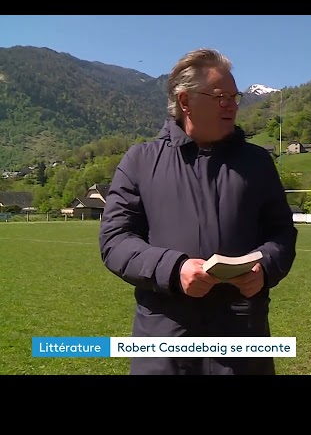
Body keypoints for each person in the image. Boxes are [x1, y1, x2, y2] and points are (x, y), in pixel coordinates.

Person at [98, 48, 297, 375]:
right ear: (185, 101)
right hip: (165, 348)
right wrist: (174, 270)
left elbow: (282, 233)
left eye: (235, 96)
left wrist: (265, 267)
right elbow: (115, 240)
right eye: (221, 96)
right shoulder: (140, 161)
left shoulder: (258, 163)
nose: (232, 105)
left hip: (242, 343)